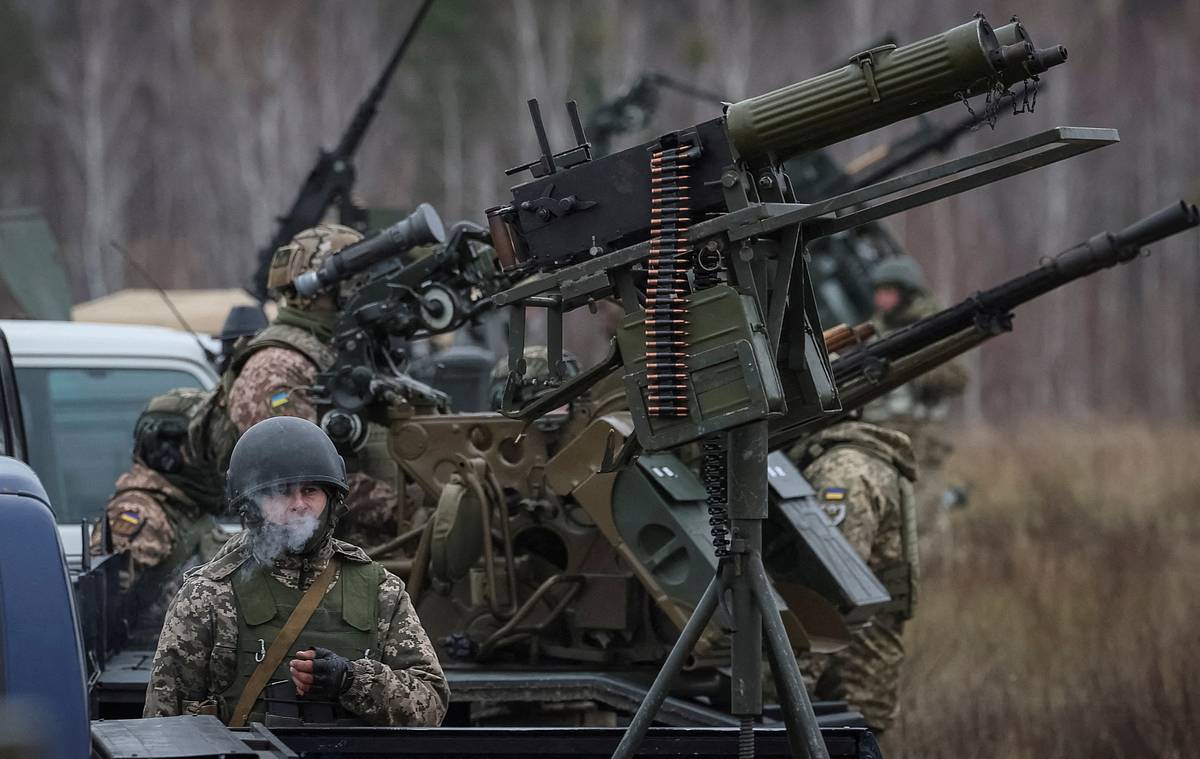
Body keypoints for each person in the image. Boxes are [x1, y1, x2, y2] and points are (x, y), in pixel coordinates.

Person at [144, 416, 448, 726]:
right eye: (281, 492)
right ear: (251, 504)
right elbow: (162, 723)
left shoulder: (381, 592)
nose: (299, 504)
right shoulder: (207, 595)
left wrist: (351, 681)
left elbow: (432, 705)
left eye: (310, 490)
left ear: (332, 500)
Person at [198, 223, 406, 547]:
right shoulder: (275, 367)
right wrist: (408, 510)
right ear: (325, 288)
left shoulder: (335, 352)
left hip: (362, 550)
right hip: (305, 558)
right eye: (357, 279)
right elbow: (299, 478)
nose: (365, 288)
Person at [790, 420, 919, 737]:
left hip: (843, 683)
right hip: (851, 677)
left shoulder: (844, 472)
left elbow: (831, 588)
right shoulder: (854, 460)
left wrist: (793, 686)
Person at [89, 389, 228, 645]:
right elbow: (101, 610)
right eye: (202, 444)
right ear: (168, 453)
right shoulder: (141, 512)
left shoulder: (185, 510)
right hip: (149, 660)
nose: (214, 455)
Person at [864, 255, 968, 519]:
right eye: (879, 292)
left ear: (907, 293)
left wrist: (915, 367)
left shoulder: (933, 328)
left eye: (888, 292)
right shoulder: (875, 330)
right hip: (879, 437)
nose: (880, 299)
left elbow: (959, 377)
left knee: (922, 517)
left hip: (920, 439)